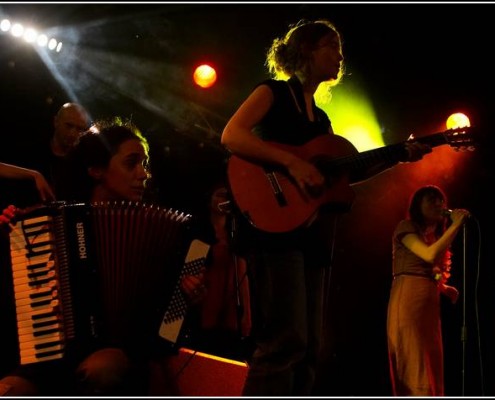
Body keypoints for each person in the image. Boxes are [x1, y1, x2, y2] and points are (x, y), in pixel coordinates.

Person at [220, 19, 432, 396]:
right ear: (305, 50)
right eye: (330, 46)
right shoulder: (273, 93)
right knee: (286, 341)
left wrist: (398, 156)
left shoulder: (321, 119)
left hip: (314, 234)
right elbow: (232, 135)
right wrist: (292, 163)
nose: (339, 56)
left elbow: (340, 178)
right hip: (275, 228)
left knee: (311, 348)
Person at [0, 117, 206, 396]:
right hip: (51, 350)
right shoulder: (49, 222)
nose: (143, 174)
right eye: (131, 163)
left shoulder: (166, 228)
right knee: (8, 390)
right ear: (97, 170)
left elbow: (170, 328)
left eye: (144, 164)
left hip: (122, 351)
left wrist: (189, 298)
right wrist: (10, 237)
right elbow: (17, 296)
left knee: (100, 370)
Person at [387, 185, 470, 396]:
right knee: (415, 361)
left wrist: (442, 287)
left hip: (427, 303)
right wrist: (456, 225)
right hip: (409, 299)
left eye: (440, 200)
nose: (438, 204)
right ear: (417, 205)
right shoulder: (405, 226)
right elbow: (428, 255)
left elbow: (430, 270)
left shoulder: (433, 237)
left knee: (431, 362)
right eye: (431, 200)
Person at [186, 180, 252, 361]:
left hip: (230, 303)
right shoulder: (198, 231)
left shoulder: (236, 233)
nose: (225, 199)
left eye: (228, 196)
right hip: (206, 301)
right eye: (220, 195)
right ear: (210, 201)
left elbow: (242, 274)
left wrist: (246, 311)